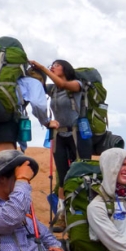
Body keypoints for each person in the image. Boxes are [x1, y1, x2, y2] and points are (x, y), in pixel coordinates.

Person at [29, 59, 91, 195]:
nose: (52, 67)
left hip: (77, 133)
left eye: (56, 65)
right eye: (51, 65)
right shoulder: (54, 90)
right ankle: (63, 210)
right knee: (62, 175)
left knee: (81, 172)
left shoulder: (77, 85)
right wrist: (35, 72)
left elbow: (62, 83)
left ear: (66, 69)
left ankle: (82, 206)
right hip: (59, 135)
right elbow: (38, 89)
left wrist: (42, 66)